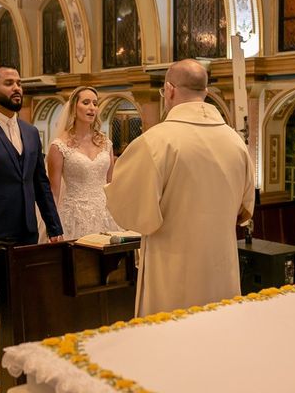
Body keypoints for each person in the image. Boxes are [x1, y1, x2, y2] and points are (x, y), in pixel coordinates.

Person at [105, 59, 255, 317]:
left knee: (172, 337)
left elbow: (132, 212)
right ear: (206, 93)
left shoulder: (156, 141)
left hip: (173, 267)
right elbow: (244, 209)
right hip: (221, 267)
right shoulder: (235, 141)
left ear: (169, 90)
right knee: (219, 331)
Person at [0, 64, 63, 379]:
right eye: (9, 83)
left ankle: (22, 371)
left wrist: (54, 228)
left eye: (19, 83)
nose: (17, 88)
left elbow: (40, 183)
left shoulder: (30, 132)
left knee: (23, 306)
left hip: (26, 232)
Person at [46, 86, 119, 240]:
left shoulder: (106, 143)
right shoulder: (59, 146)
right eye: (86, 103)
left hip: (104, 215)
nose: (92, 108)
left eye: (95, 103)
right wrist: (53, 226)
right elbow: (53, 191)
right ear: (74, 107)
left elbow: (111, 184)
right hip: (74, 216)